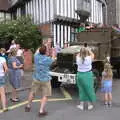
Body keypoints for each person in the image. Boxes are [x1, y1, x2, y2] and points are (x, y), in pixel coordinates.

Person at [25, 45, 54, 116]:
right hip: (45, 79)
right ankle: (41, 111)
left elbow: (37, 51)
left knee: (32, 92)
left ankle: (28, 106)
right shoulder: (48, 59)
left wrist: (43, 46)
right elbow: (53, 59)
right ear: (46, 52)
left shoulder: (36, 57)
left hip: (36, 78)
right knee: (45, 95)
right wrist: (53, 52)